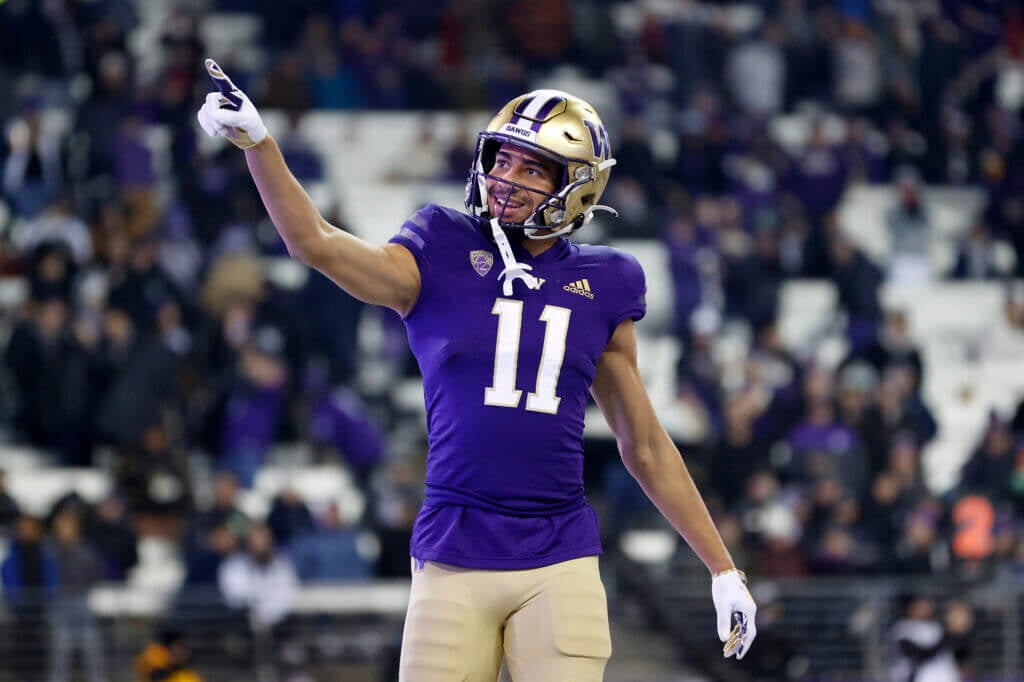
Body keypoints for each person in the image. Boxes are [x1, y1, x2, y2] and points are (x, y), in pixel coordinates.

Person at [197, 59, 757, 680]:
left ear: (578, 186)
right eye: (502, 160)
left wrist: (722, 568)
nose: (506, 178)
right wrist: (260, 145)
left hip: (559, 553)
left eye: (532, 168)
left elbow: (644, 444)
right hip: (452, 548)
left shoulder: (606, 280)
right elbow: (316, 243)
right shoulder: (439, 244)